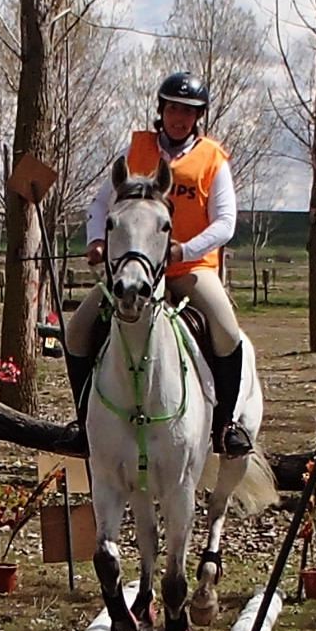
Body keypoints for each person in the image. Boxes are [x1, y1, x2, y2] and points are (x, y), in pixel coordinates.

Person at [67, 70, 252, 454]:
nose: (179, 117)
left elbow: (225, 222)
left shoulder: (212, 159)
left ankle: (226, 425)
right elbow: (100, 203)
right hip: (134, 270)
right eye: (173, 109)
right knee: (76, 332)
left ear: (197, 116)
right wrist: (97, 240)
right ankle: (84, 424)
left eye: (188, 111)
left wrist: (185, 250)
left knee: (227, 332)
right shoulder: (135, 151)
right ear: (162, 110)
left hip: (189, 270)